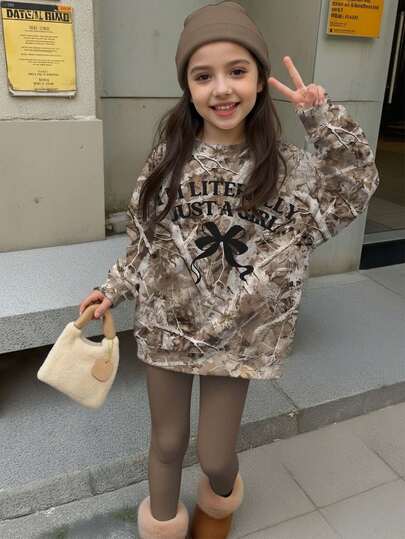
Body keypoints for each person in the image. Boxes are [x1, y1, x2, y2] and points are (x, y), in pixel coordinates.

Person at [79, 2, 380, 538]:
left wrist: (321, 118)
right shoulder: (167, 161)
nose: (221, 89)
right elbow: (144, 242)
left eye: (237, 71)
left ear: (259, 81)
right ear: (188, 87)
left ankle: (218, 506)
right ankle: (164, 527)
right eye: (203, 76)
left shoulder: (288, 169)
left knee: (217, 456)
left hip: (240, 334)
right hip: (168, 324)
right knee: (167, 443)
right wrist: (111, 289)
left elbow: (354, 187)